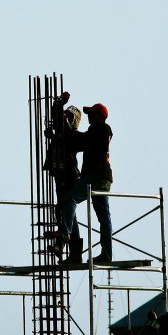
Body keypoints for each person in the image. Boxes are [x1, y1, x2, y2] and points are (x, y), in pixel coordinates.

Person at [49, 100, 113, 264]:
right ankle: (106, 254)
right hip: (104, 178)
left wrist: (64, 124)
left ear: (99, 115)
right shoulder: (103, 132)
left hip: (96, 176)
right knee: (104, 218)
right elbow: (78, 140)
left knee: (70, 198)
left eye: (91, 113)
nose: (89, 116)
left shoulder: (97, 129)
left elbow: (78, 139)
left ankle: (64, 233)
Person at [43, 92, 85, 264]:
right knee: (65, 213)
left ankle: (67, 248)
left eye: (68, 117)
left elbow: (59, 119)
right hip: (61, 176)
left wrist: (59, 103)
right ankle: (71, 251)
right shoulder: (65, 135)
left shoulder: (72, 135)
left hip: (68, 177)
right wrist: (53, 136)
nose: (64, 119)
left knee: (66, 212)